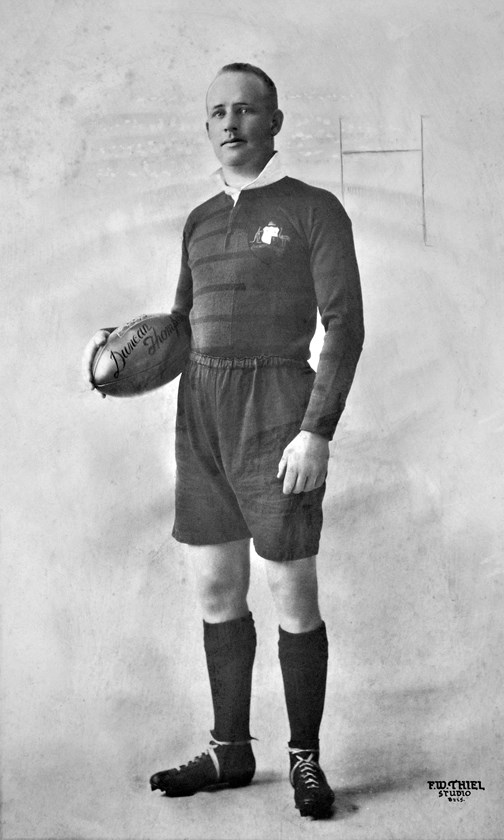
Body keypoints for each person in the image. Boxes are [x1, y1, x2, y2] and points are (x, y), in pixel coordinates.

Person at [82, 62, 364, 820]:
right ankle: (229, 752)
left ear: (274, 122)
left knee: (291, 593)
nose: (231, 122)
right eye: (217, 112)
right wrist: (116, 352)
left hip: (277, 411)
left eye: (245, 109)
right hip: (200, 413)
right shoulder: (200, 219)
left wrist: (316, 430)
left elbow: (344, 325)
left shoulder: (314, 209)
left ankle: (304, 759)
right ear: (206, 127)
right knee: (215, 590)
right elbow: (179, 326)